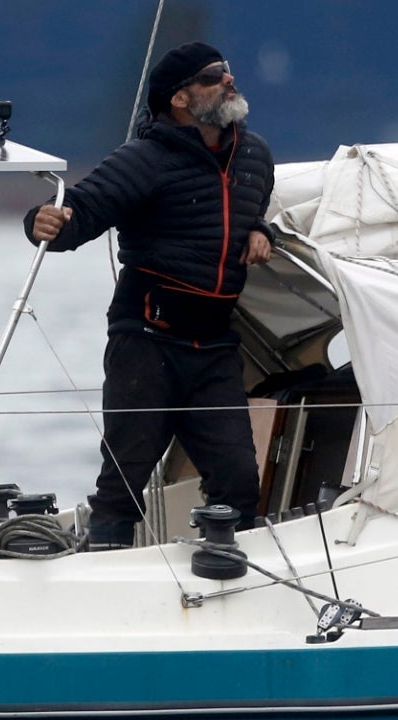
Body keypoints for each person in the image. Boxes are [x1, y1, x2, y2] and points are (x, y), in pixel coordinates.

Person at [25, 41, 276, 549]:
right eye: (213, 76)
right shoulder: (145, 159)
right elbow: (82, 210)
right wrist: (40, 222)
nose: (229, 80)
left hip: (215, 347)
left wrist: (264, 232)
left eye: (228, 71)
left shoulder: (255, 156)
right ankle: (103, 568)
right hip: (147, 342)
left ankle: (226, 573)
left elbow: (242, 213)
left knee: (239, 483)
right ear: (181, 99)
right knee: (122, 486)